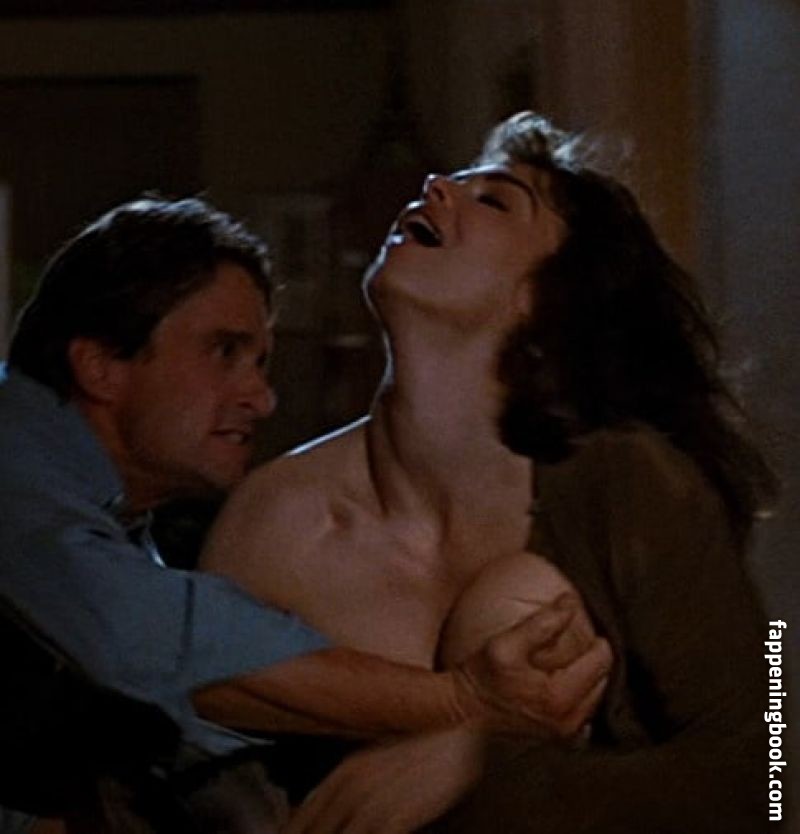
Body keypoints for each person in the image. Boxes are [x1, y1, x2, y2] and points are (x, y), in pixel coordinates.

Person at [201, 111, 778, 833]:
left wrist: (479, 763)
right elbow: (189, 751)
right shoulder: (277, 517)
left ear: (543, 297)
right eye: (454, 181)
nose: (434, 185)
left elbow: (766, 774)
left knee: (515, 598)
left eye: (495, 201)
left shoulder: (631, 484)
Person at [0, 195, 611, 833]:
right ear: (101, 365)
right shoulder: (13, 465)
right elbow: (142, 637)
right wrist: (465, 703)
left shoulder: (121, 524)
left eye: (260, 363)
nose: (262, 399)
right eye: (224, 351)